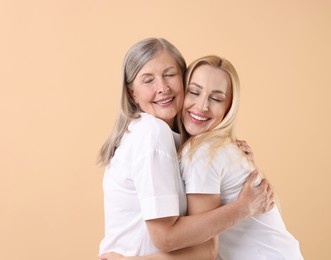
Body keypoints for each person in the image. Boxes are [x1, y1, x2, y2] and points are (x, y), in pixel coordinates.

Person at [100, 55, 303, 260]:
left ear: (228, 107)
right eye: (194, 92)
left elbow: (200, 250)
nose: (202, 106)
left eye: (216, 98)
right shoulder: (204, 148)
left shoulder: (202, 154)